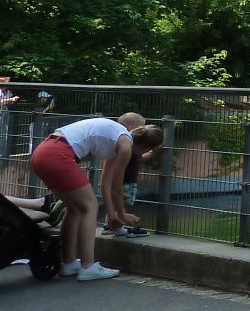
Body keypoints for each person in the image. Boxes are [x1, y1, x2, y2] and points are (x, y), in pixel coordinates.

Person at [28, 112, 164, 280]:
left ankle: (69, 263)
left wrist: (113, 216)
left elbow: (106, 184)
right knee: (90, 207)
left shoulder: (118, 137)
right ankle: (88, 266)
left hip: (42, 153)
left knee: (75, 209)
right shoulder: (126, 146)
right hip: (59, 155)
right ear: (145, 148)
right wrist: (121, 214)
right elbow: (116, 187)